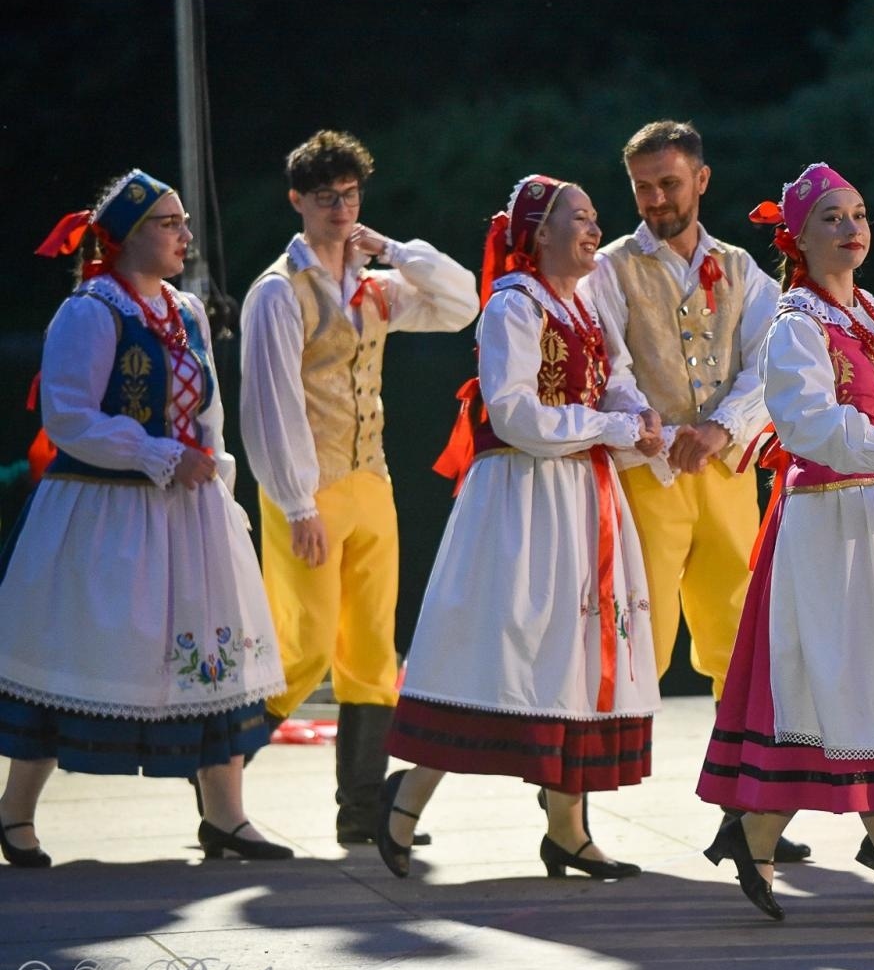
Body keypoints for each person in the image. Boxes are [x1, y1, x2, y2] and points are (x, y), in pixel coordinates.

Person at [697, 163, 874, 928]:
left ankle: (757, 832)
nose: (851, 228)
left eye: (857, 214)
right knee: (863, 688)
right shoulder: (795, 326)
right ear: (797, 236)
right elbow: (809, 424)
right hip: (833, 524)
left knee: (871, 690)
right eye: (831, 217)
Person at [377, 175, 664, 880]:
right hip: (523, 497)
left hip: (582, 491)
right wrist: (610, 426)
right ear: (539, 233)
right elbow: (512, 414)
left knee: (573, 652)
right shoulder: (513, 303)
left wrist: (638, 416)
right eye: (580, 218)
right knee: (499, 649)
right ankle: (405, 801)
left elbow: (616, 376)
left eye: (595, 217)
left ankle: (567, 830)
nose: (595, 229)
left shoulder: (587, 301)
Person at [0, 170, 290, 864]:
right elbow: (69, 416)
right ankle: (14, 812)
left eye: (184, 221)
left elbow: (208, 411)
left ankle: (225, 814)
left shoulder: (185, 310)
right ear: (128, 235)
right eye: (169, 223)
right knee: (76, 656)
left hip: (187, 512)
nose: (185, 235)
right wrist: (157, 454)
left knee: (213, 653)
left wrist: (216, 477)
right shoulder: (90, 310)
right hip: (106, 512)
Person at [239, 130, 477, 846]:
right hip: (307, 487)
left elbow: (462, 302)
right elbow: (270, 405)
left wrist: (397, 250)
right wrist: (296, 503)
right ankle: (215, 774)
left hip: (371, 480)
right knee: (303, 647)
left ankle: (362, 810)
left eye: (349, 196)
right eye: (325, 197)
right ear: (297, 201)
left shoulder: (374, 284)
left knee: (374, 651)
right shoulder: (278, 290)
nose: (340, 210)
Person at [581, 121, 807, 863]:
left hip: (726, 477)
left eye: (669, 184)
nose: (656, 200)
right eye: (643, 187)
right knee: (629, 639)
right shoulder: (608, 269)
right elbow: (608, 366)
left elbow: (770, 364)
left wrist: (720, 428)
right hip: (646, 477)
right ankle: (570, 820)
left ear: (701, 180)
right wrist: (651, 424)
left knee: (739, 646)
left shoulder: (743, 269)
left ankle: (747, 814)